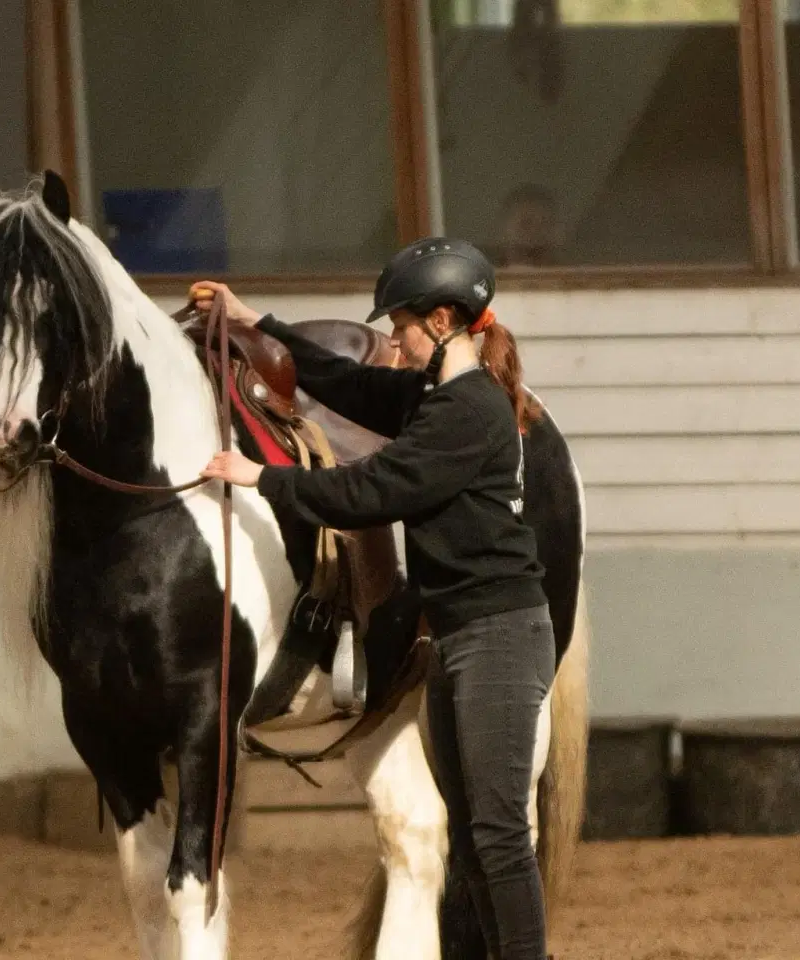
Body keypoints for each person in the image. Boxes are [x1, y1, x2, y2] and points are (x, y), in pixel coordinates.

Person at [193, 237, 555, 960]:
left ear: (445, 319)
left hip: (500, 638)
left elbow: (369, 493)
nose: (392, 340)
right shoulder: (434, 396)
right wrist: (257, 321)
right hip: (459, 636)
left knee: (500, 836)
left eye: (402, 326)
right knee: (478, 834)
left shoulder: (467, 413)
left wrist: (261, 477)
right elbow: (342, 383)